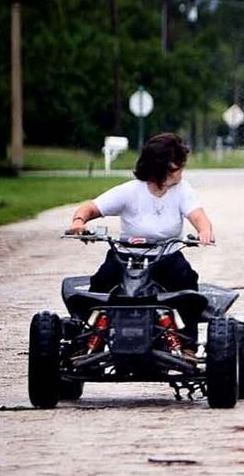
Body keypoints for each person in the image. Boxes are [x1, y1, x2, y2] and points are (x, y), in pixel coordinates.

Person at [66, 133, 215, 357]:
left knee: (187, 285)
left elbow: (198, 215)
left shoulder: (182, 190)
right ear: (161, 168)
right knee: (99, 285)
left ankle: (187, 346)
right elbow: (91, 208)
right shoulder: (130, 190)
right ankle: (85, 341)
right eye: (177, 167)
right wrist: (79, 221)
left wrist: (204, 230)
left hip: (166, 256)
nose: (181, 172)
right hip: (125, 256)